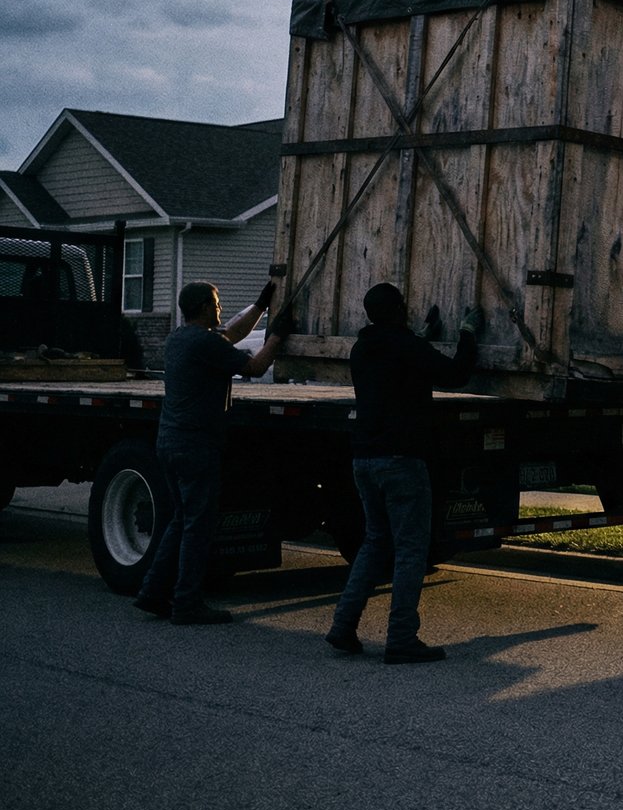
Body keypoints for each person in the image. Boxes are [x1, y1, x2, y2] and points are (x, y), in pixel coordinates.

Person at [326, 283, 481, 664]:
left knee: (375, 542)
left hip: (364, 459)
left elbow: (400, 364)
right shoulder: (407, 348)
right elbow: (455, 373)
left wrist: (423, 337)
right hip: (402, 462)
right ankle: (401, 638)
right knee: (411, 549)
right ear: (399, 309)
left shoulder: (362, 349)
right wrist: (467, 332)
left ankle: (343, 627)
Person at [134, 279, 291, 624]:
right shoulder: (205, 343)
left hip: (170, 442)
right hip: (195, 446)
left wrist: (261, 306)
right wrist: (277, 335)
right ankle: (186, 603)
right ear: (205, 306)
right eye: (217, 303)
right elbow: (255, 367)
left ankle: (152, 593)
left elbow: (231, 334)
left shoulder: (180, 338)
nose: (220, 309)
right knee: (198, 526)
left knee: (181, 520)